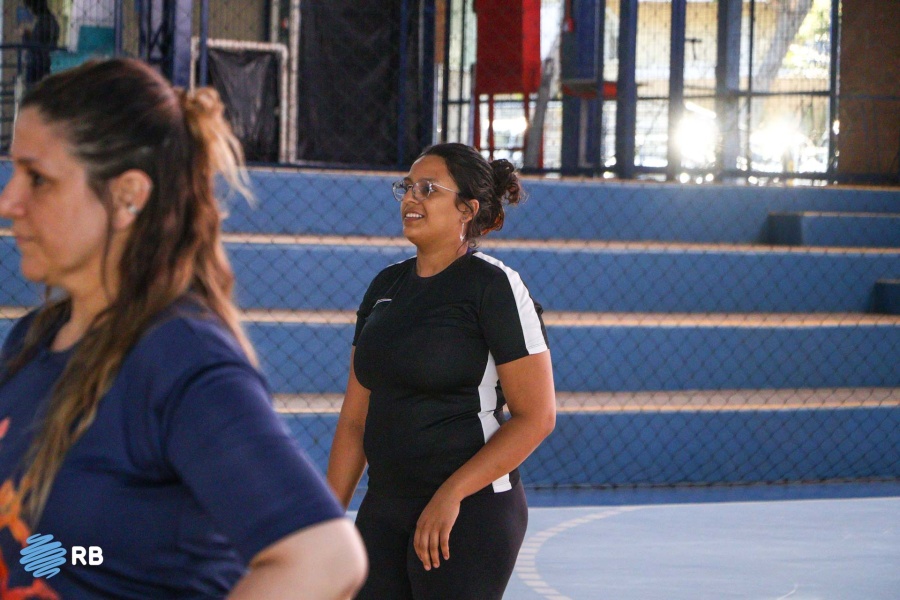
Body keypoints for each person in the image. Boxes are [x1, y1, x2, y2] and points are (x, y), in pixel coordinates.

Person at [0, 58, 367, 599]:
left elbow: (324, 558)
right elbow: (66, 551)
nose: (9, 201)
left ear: (127, 195)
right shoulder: (33, 339)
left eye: (38, 179)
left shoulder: (177, 356)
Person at [327, 142, 556, 599]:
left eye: (428, 189)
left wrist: (451, 494)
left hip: (469, 509)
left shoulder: (494, 286)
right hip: (385, 507)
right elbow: (355, 419)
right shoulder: (384, 287)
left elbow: (537, 417)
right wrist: (327, 521)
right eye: (408, 187)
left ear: (466, 210)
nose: (411, 198)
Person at [20, 0, 60, 85]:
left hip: (37, 66)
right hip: (49, 63)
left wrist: (25, 37)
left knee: (32, 89)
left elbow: (35, 47)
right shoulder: (52, 21)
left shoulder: (42, 23)